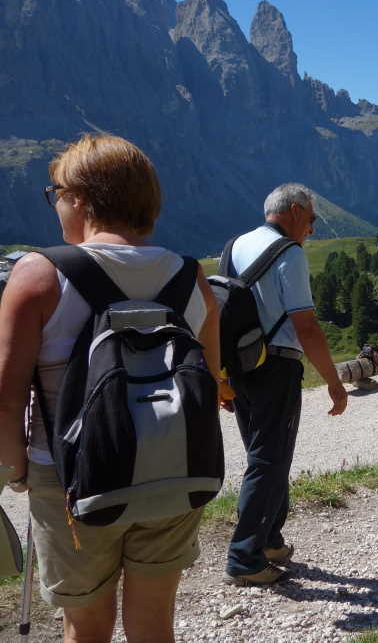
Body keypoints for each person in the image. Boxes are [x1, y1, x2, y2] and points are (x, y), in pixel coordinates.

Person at [0, 135, 226, 641]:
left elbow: (6, 394)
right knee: (153, 622)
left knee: (86, 625)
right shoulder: (191, 278)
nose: (55, 203)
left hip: (70, 478)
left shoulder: (38, 275)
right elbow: (207, 378)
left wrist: (15, 471)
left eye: (54, 192)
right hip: (174, 468)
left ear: (79, 197)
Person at [223, 183, 348, 587]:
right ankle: (244, 558)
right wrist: (334, 382)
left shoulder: (235, 245)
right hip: (275, 368)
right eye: (310, 219)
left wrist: (222, 374)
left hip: (240, 365)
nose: (311, 228)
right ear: (294, 211)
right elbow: (306, 327)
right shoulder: (289, 254)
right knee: (269, 459)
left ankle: (271, 541)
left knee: (264, 455)